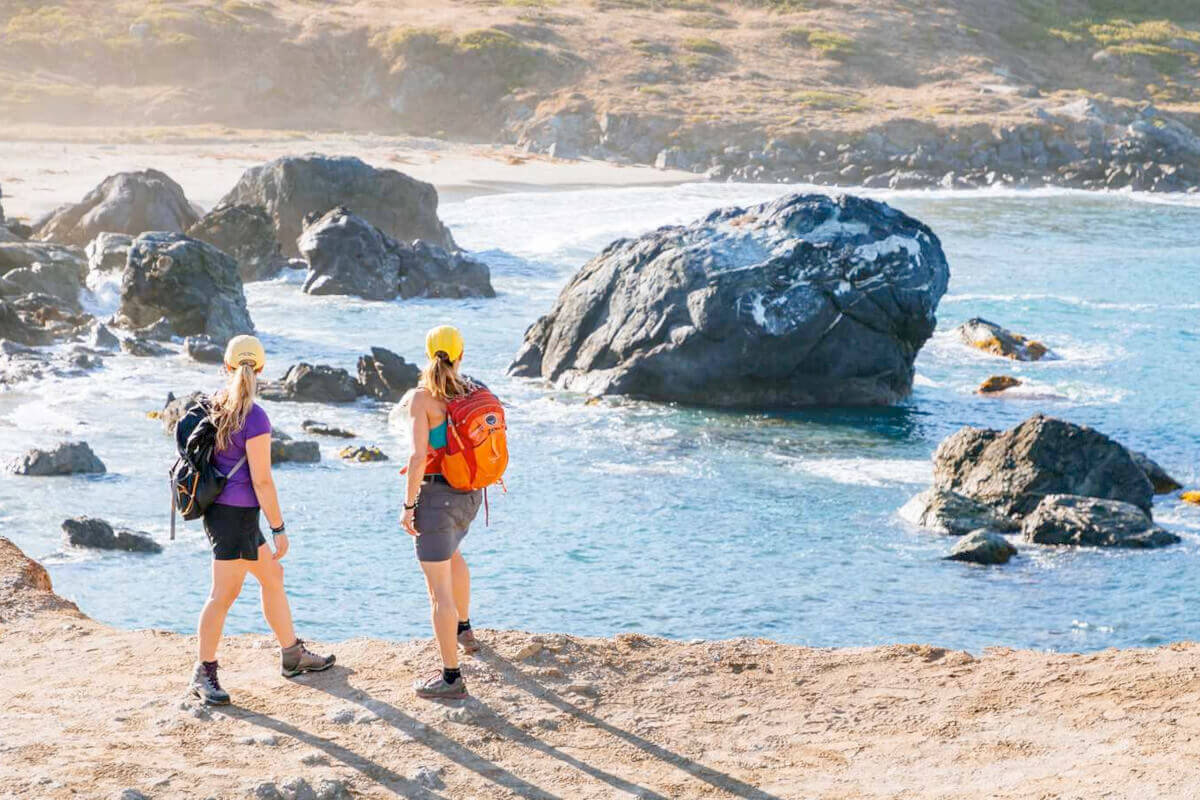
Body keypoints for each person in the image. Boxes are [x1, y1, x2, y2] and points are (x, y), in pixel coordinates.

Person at [189, 334, 335, 705]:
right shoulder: (254, 416)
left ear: (226, 366)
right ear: (262, 369)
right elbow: (262, 479)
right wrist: (279, 527)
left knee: (272, 576)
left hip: (223, 514)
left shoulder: (215, 405)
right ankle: (203, 672)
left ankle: (291, 654)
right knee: (223, 595)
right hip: (236, 518)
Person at [401, 325, 484, 700]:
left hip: (437, 499)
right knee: (453, 555)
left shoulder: (423, 398)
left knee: (438, 594)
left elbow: (418, 456)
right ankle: (464, 629)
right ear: (461, 355)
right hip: (470, 494)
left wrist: (407, 505)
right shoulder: (473, 390)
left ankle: (452, 678)